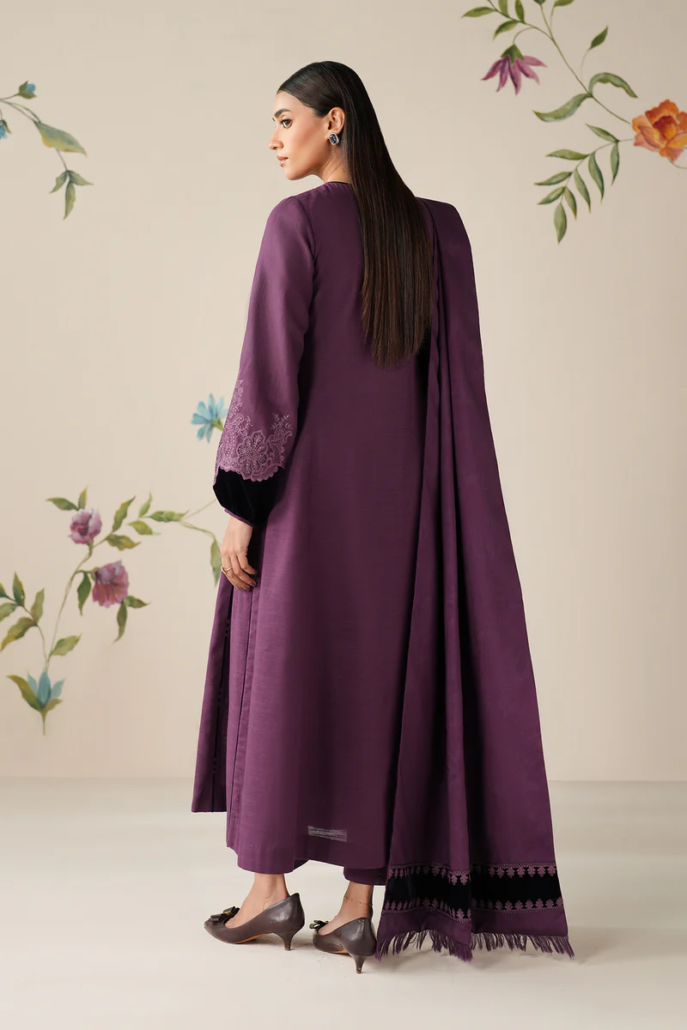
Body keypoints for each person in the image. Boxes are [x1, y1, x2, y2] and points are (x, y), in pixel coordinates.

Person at [192, 60, 574, 972]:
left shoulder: (297, 224)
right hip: (407, 507)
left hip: (307, 503)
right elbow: (457, 386)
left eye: (285, 119)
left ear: (335, 121)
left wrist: (241, 504)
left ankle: (269, 893)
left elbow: (269, 373)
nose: (273, 139)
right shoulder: (438, 230)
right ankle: (358, 905)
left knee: (280, 673)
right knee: (377, 683)